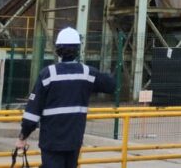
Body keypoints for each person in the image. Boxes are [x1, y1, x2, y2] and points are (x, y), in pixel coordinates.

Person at [17, 27, 116, 168]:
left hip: (51, 141)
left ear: (58, 49)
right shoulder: (87, 73)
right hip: (74, 140)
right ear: (78, 49)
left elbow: (32, 113)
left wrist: (23, 137)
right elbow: (111, 86)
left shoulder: (48, 74)